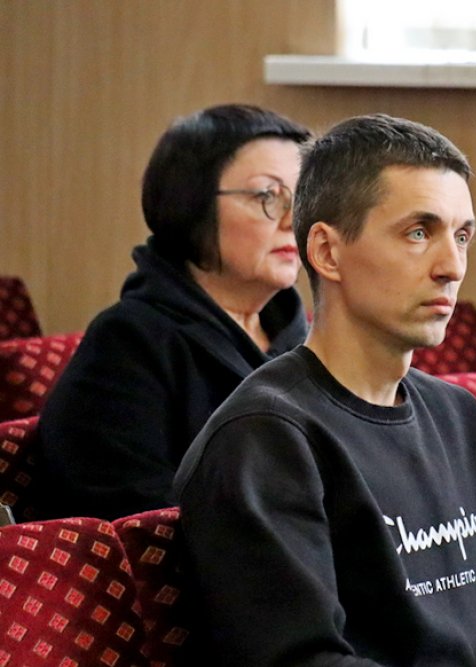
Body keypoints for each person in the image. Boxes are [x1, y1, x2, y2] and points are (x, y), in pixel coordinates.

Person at [173, 113, 476, 666]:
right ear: (327, 252)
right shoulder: (264, 440)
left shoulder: (459, 414)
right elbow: (303, 660)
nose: (452, 267)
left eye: (461, 236)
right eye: (418, 233)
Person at [37, 104, 311, 520]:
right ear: (192, 204)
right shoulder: (128, 344)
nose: (294, 220)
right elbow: (140, 521)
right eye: (267, 196)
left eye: (304, 197)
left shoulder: (307, 338)